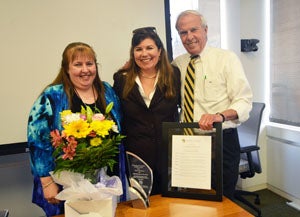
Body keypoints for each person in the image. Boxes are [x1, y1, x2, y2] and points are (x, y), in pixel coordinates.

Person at [27, 42, 127, 216]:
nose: (85, 70)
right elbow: (37, 140)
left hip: (106, 181)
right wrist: (47, 182)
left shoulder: (107, 91)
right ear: (66, 69)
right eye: (77, 64)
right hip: (65, 184)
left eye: (89, 64)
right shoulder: (52, 95)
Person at [172, 10, 253, 200]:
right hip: (190, 143)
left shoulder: (226, 59)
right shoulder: (177, 64)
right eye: (183, 33)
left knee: (223, 200)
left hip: (221, 141)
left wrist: (220, 116)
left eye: (194, 30)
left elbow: (244, 100)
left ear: (205, 30)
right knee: (193, 199)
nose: (189, 37)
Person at [113, 27, 181, 195]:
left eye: (149, 48)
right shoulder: (121, 79)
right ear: (133, 53)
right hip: (137, 157)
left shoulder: (173, 75)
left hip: (169, 155)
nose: (144, 54)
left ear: (159, 50)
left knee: (171, 204)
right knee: (143, 206)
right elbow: (117, 116)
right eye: (139, 49)